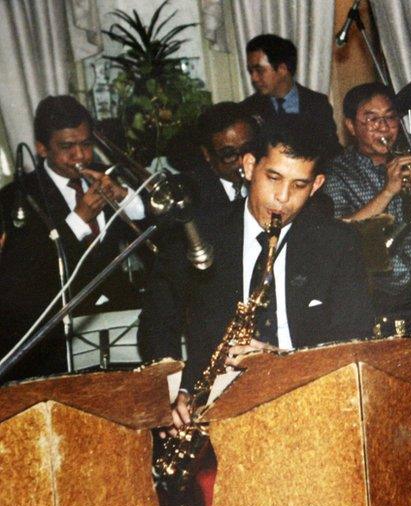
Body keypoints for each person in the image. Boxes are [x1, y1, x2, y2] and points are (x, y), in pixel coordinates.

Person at [166, 116, 373, 428]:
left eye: (299, 184)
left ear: (316, 185)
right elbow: (158, 323)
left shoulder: (337, 243)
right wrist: (174, 391)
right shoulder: (198, 235)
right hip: (215, 410)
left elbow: (354, 338)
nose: (282, 197)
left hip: (309, 401)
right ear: (249, 167)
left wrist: (282, 363)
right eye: (273, 178)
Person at [0, 95, 146, 383]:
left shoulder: (109, 176)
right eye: (67, 147)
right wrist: (78, 220)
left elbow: (154, 224)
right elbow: (26, 278)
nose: (80, 156)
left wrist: (124, 197)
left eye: (86, 144)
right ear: (42, 148)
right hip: (55, 343)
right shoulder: (16, 198)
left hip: (123, 324)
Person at [138, 102, 258, 362]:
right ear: (206, 155)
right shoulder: (187, 203)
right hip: (216, 354)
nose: (242, 161)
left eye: (249, 149)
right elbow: (162, 305)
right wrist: (166, 371)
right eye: (228, 154)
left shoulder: (275, 184)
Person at [324, 83, 411, 299]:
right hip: (380, 291)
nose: (384, 128)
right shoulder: (337, 174)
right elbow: (338, 235)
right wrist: (388, 192)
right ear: (351, 126)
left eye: (390, 118)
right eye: (372, 119)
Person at [240, 33, 342, 165]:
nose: (253, 78)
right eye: (251, 71)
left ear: (282, 69)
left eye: (259, 70)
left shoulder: (317, 103)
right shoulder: (248, 109)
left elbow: (331, 150)